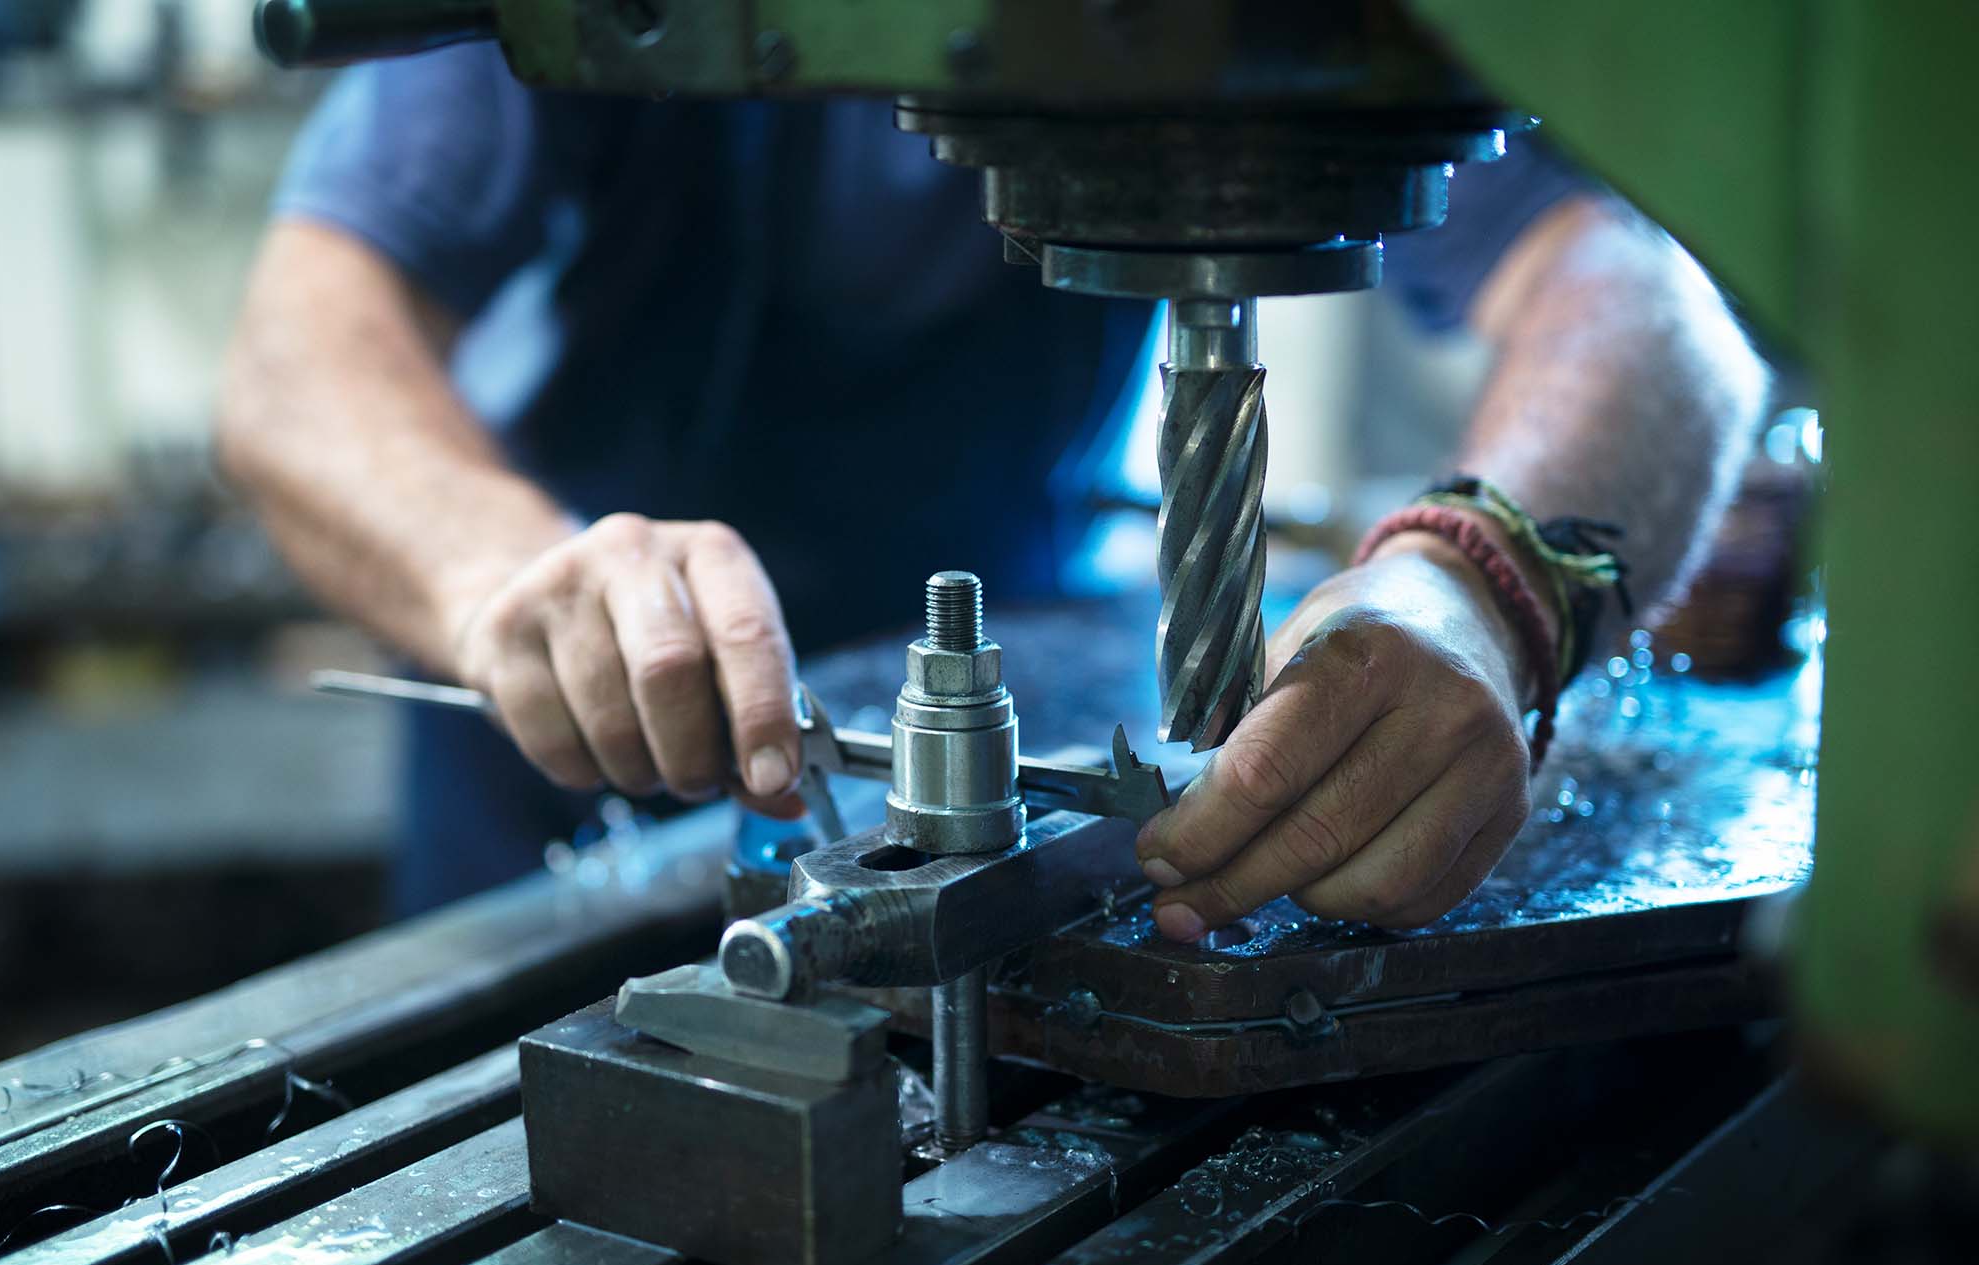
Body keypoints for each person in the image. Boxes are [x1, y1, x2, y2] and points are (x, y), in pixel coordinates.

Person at [216, 45, 1766, 929]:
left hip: (1032, 805)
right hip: (585, 834)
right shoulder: (606, 36)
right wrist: (501, 579)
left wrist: (1474, 585)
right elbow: (298, 360)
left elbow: (1647, 297)